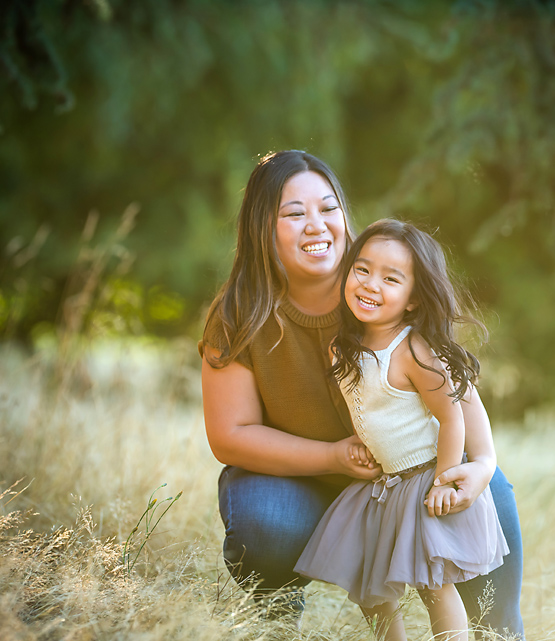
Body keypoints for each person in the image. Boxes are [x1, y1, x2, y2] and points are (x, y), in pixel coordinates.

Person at [199, 150, 524, 639]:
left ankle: (498, 632)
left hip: (410, 470)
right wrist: (332, 456)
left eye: (329, 208)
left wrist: (482, 464)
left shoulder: (379, 287)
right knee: (266, 520)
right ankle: (274, 625)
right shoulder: (238, 314)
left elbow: (456, 389)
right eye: (294, 213)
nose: (317, 225)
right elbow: (230, 436)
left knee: (489, 495)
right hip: (300, 480)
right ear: (261, 228)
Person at [294, 219, 509, 641]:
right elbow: (369, 407)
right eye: (363, 270)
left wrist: (445, 480)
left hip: (425, 479)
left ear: (413, 300)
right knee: (369, 591)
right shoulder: (345, 344)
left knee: (434, 584)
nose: (371, 285)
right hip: (385, 485)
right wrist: (361, 445)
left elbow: (453, 416)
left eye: (391, 279)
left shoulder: (413, 350)